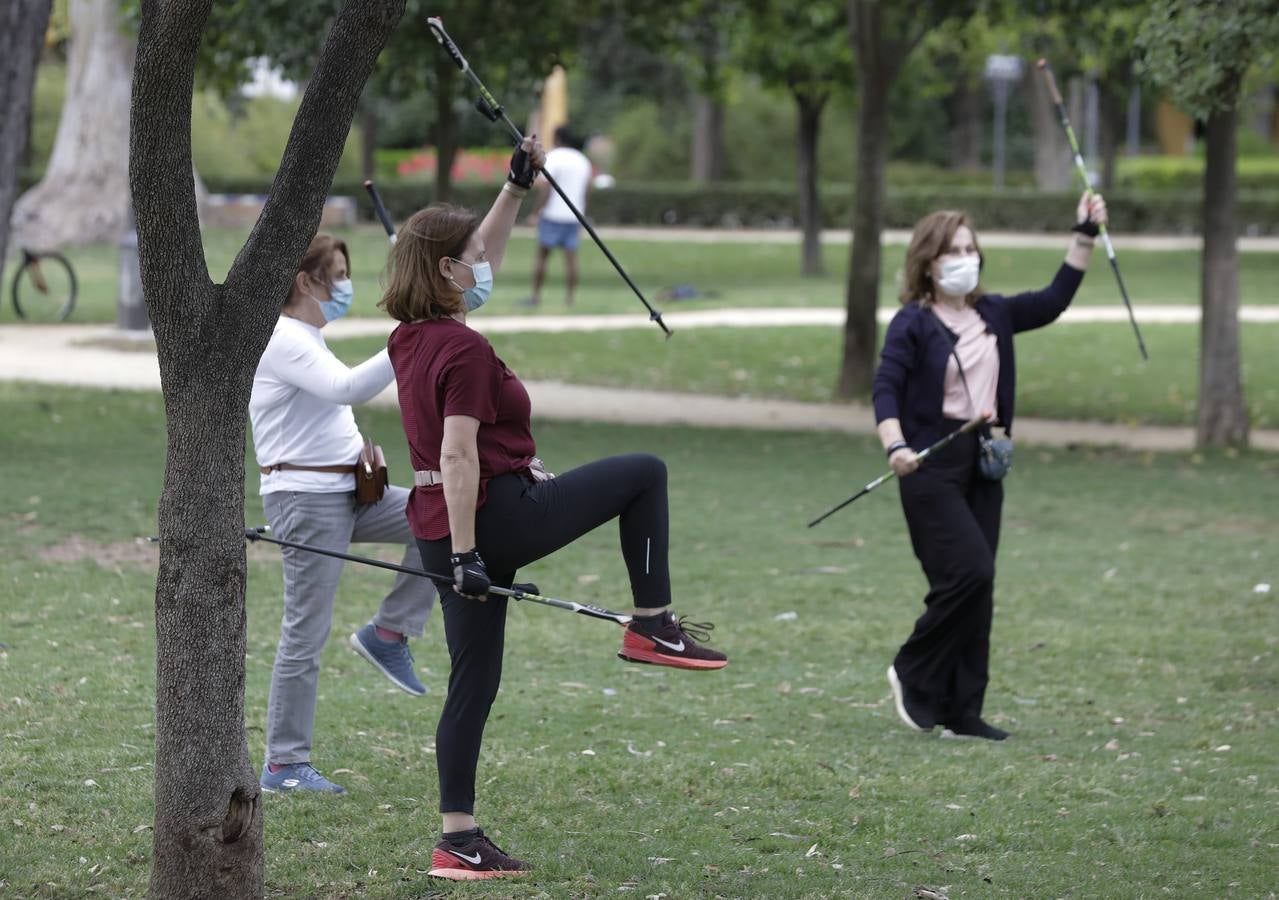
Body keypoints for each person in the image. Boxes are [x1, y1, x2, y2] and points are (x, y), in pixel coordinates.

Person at [380, 136, 728, 880]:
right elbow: (458, 454)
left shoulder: (408, 339)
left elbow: (477, 261)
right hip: (490, 518)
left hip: (442, 530)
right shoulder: (465, 351)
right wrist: (475, 553)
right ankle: (651, 625)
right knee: (643, 470)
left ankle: (457, 838)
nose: (485, 266)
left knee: (473, 680)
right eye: (471, 257)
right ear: (445, 271)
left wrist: (514, 189)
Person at [874, 191, 1107, 742]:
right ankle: (912, 669)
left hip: (984, 462)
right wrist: (895, 447)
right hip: (928, 467)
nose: (965, 258)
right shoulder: (911, 324)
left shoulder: (994, 314)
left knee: (979, 589)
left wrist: (1085, 233)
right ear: (928, 262)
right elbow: (885, 389)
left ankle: (963, 711)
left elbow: (1054, 300)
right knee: (967, 573)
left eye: (970, 248)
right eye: (953, 250)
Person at [250, 234, 438, 794]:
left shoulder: (308, 336)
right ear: (306, 282)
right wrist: (410, 335)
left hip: (353, 495)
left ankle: (389, 632)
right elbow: (345, 387)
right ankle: (284, 766)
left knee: (443, 513)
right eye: (338, 274)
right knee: (305, 631)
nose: (346, 286)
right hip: (306, 502)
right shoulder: (283, 337)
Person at [523, 124, 592, 307]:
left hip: (552, 215)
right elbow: (586, 190)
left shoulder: (554, 158)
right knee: (571, 260)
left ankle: (535, 297)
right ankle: (570, 300)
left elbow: (547, 188)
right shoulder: (582, 160)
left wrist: (535, 213)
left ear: (557, 138)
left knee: (542, 257)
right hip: (573, 216)